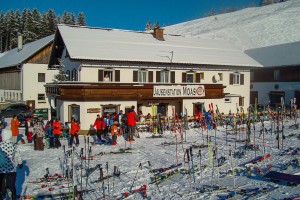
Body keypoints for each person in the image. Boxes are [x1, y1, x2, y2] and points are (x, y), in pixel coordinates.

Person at [0, 127, 22, 200]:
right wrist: (20, 163)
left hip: (1, 169)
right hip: (11, 169)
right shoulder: (13, 145)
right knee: (11, 185)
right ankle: (13, 196)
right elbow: (17, 155)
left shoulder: (0, 145)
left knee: (1, 184)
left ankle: (2, 195)